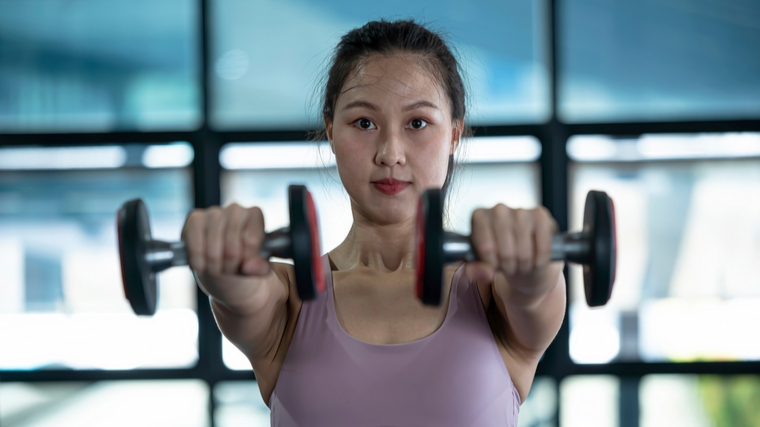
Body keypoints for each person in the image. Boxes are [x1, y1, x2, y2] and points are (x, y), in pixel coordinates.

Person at [182, 19, 565, 426]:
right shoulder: (287, 301)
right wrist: (219, 256)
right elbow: (237, 293)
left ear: (454, 135)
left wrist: (535, 253)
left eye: (417, 123)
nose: (390, 154)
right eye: (364, 123)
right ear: (331, 131)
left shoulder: (495, 293)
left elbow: (534, 288)